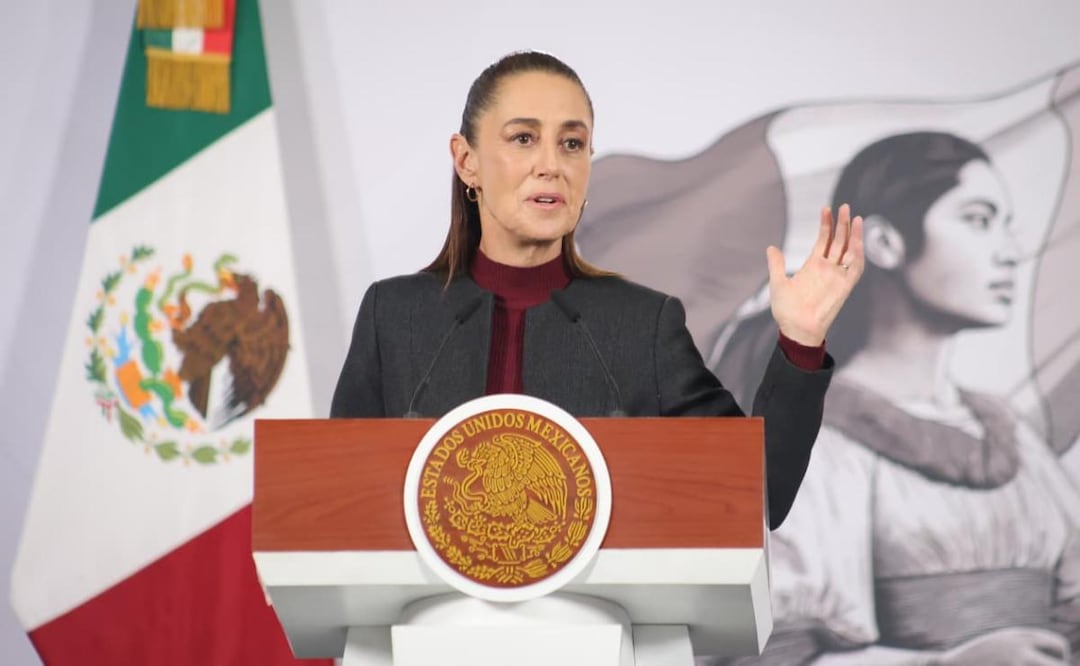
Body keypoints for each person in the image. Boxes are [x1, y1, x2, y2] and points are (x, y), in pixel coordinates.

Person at [329, 51, 864, 529]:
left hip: (597, 637)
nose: (551, 165)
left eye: (572, 143)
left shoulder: (641, 326)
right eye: (523, 138)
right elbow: (337, 502)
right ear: (467, 160)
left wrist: (800, 341)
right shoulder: (393, 315)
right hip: (432, 634)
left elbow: (757, 495)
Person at [711, 132, 1080, 664]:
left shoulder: (1009, 433)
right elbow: (775, 648)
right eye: (977, 220)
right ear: (885, 243)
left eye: (1007, 224)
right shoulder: (819, 439)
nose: (1009, 252)